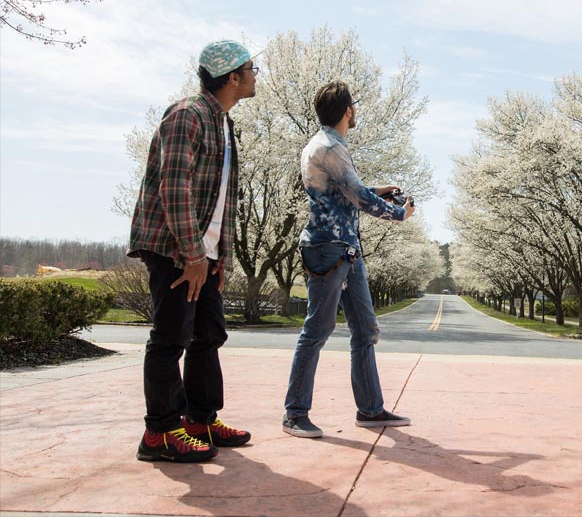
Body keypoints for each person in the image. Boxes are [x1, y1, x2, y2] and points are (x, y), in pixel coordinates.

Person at [128, 40, 257, 462]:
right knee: (171, 336)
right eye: (252, 68)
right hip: (173, 248)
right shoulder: (187, 115)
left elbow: (224, 200)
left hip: (203, 252)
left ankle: (199, 419)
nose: (257, 76)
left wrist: (220, 257)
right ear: (233, 76)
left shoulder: (223, 123)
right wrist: (193, 254)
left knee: (210, 334)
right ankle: (160, 433)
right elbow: (174, 186)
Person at [282, 80, 415, 438]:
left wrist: (378, 190)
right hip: (329, 249)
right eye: (354, 106)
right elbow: (357, 196)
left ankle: (370, 410)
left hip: (345, 248)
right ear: (348, 111)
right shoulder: (329, 147)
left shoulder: (327, 145)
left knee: (365, 329)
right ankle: (295, 413)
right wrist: (398, 213)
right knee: (317, 329)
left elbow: (345, 191)